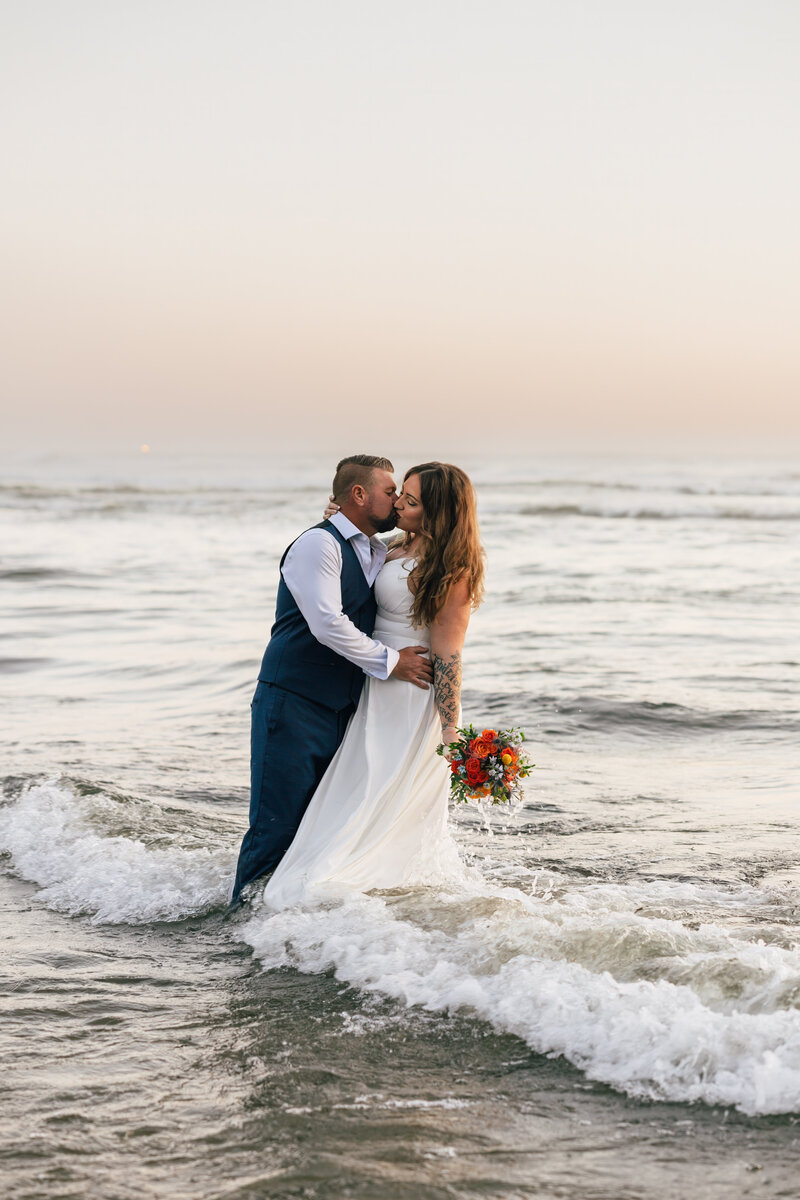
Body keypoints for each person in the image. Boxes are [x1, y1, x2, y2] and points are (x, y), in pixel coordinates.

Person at [261, 461, 485, 909]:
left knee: (375, 790)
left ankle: (345, 889)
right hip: (376, 679)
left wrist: (450, 730)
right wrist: (338, 521)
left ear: (437, 512)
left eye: (412, 500)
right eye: (400, 492)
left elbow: (448, 654)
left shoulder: (452, 569)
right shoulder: (394, 546)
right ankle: (326, 881)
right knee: (354, 788)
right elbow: (354, 557)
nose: (399, 502)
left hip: (407, 689)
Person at [231, 455, 435, 904]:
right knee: (275, 825)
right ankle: (239, 927)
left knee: (317, 828)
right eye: (389, 491)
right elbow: (327, 623)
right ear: (359, 495)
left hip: (344, 707)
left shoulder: (374, 549)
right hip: (293, 701)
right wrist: (391, 662)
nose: (398, 499)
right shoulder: (317, 546)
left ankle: (288, 927)